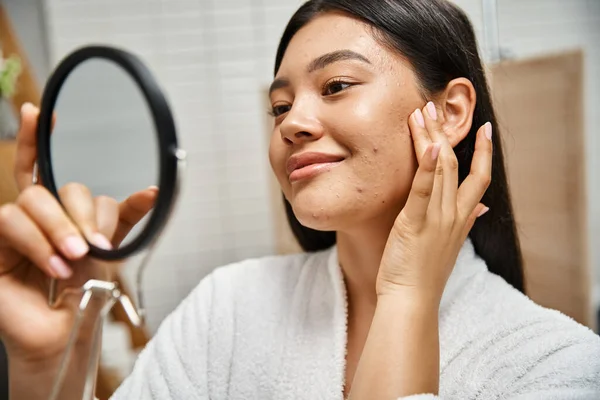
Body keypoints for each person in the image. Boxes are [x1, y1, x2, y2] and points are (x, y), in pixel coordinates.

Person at [1, 0, 599, 399]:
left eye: (336, 85)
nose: (292, 124)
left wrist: (407, 300)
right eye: (280, 106)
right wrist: (45, 366)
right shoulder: (225, 310)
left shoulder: (556, 365)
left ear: (450, 111)